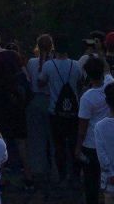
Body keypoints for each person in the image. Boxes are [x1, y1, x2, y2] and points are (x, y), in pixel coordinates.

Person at [0, 28, 33, 191]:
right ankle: (28, 175)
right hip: (16, 102)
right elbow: (26, 77)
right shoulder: (13, 55)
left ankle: (1, 177)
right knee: (20, 140)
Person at [41, 33, 84, 184]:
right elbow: (81, 82)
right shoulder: (76, 65)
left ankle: (61, 174)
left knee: (58, 145)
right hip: (74, 111)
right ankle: (75, 174)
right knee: (74, 143)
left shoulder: (49, 66)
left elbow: (41, 82)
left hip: (55, 110)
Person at [75, 57, 110, 204]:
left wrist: (77, 148)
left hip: (91, 144)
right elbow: (107, 70)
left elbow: (82, 127)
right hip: (108, 141)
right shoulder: (111, 84)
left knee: (91, 181)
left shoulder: (87, 98)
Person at [26, 34, 55, 181]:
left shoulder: (31, 62)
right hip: (51, 101)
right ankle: (55, 170)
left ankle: (38, 168)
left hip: (35, 101)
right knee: (53, 138)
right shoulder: (54, 64)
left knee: (37, 138)